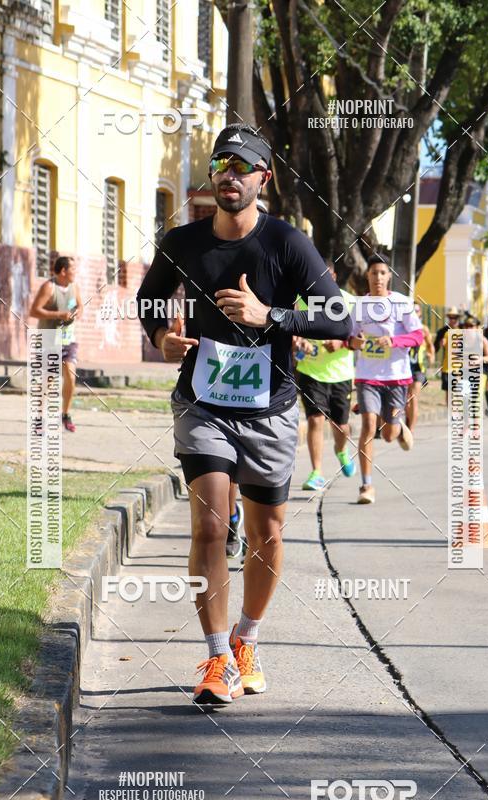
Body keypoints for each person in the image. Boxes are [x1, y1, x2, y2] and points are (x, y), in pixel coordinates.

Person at [137, 123, 350, 705]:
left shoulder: (286, 242)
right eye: (220, 165)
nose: (228, 175)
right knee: (210, 525)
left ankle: (246, 639)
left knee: (266, 533)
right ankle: (215, 658)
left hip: (269, 410)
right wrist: (161, 336)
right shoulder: (182, 242)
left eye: (241, 166)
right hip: (203, 403)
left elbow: (339, 317)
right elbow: (149, 298)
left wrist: (270, 316)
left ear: (264, 178)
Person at [347, 254, 424, 505]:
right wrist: (354, 342)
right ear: (367, 276)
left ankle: (398, 426)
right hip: (367, 376)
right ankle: (366, 485)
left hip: (396, 377)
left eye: (382, 273)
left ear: (389, 276)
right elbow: (349, 338)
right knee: (368, 425)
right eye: (374, 273)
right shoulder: (359, 305)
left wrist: (394, 341)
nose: (378, 277)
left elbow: (418, 336)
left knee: (389, 435)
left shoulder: (401, 303)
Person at [295, 259, 356, 489]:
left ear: (334, 277)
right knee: (315, 419)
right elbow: (293, 332)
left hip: (340, 373)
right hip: (310, 371)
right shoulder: (301, 301)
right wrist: (299, 343)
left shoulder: (349, 301)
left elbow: (359, 338)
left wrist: (341, 343)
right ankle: (317, 472)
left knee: (341, 426)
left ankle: (341, 449)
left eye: (325, 277)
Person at [29, 256, 83, 432]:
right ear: (63, 271)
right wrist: (59, 315)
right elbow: (34, 311)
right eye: (73, 269)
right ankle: (38, 418)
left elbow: (80, 306)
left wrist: (77, 312)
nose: (75, 272)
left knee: (71, 376)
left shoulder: (74, 287)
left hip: (68, 339)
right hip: (49, 339)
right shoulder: (49, 287)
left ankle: (65, 414)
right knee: (48, 380)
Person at [406, 302, 435, 430]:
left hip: (418, 368)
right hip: (404, 368)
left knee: (413, 398)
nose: (414, 312)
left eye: (417, 310)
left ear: (420, 313)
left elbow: (430, 345)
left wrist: (431, 355)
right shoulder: (403, 327)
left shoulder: (424, 329)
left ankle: (411, 430)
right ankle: (407, 423)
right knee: (406, 400)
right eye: (412, 310)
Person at [435, 307, 461, 405]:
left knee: (457, 389)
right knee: (448, 391)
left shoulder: (464, 329)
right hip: (447, 366)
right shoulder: (443, 332)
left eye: (455, 317)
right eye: (450, 317)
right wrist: (440, 343)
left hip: (460, 366)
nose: (453, 320)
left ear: (458, 318)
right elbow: (435, 347)